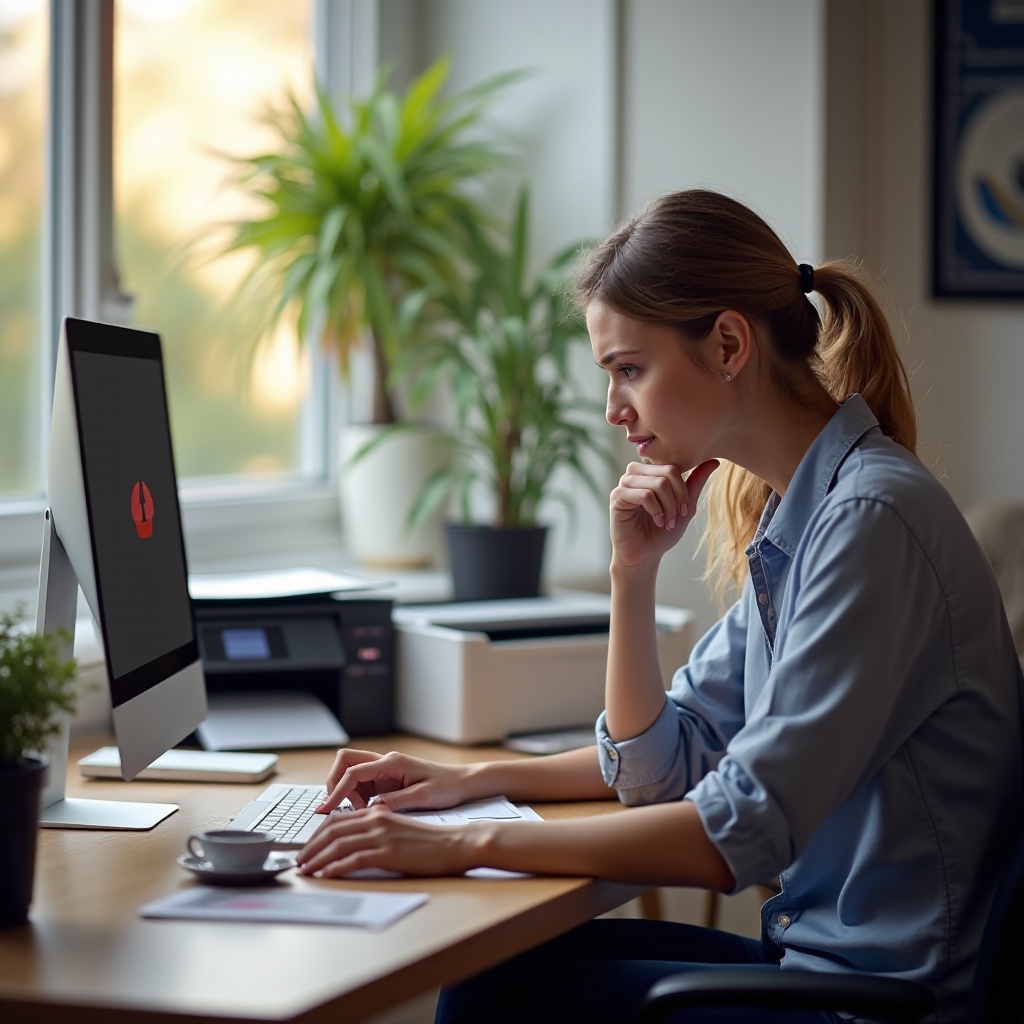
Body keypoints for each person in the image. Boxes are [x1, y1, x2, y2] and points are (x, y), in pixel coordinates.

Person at [296, 188, 1023, 1023]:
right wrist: (626, 583)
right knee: (497, 973)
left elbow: (736, 833)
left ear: (726, 343)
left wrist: (465, 841)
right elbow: (661, 767)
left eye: (628, 370)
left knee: (489, 1002)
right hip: (816, 964)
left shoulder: (869, 521)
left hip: (873, 1004)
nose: (614, 410)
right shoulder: (810, 513)